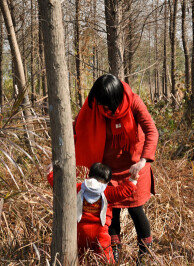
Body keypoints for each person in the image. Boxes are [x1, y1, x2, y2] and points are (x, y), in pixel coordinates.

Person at [74, 74, 158, 263]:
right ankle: (114, 256)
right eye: (100, 105)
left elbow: (152, 131)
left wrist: (143, 161)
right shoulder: (95, 105)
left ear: (115, 99)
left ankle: (144, 256)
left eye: (105, 105)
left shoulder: (134, 102)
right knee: (111, 211)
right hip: (107, 171)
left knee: (137, 211)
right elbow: (78, 125)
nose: (102, 108)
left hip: (135, 169)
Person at [46, 162, 138, 263]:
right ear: (107, 181)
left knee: (79, 258)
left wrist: (50, 173)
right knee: (105, 260)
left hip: (78, 231)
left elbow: (60, 186)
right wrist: (133, 179)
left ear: (89, 175)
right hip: (100, 232)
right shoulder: (108, 191)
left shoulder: (77, 188)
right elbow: (124, 191)